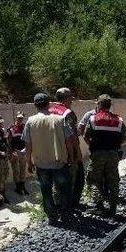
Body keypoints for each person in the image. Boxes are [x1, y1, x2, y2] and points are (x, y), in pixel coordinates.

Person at [24, 93, 75, 225]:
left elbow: (28, 144)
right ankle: (65, 214)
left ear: (35, 106)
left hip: (41, 164)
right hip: (59, 162)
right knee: (65, 188)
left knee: (46, 191)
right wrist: (71, 157)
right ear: (49, 104)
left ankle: (52, 216)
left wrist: (28, 162)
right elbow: (69, 141)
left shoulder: (30, 121)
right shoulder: (60, 119)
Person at [84, 94, 126, 216]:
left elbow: (85, 135)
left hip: (98, 153)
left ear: (99, 104)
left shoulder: (93, 119)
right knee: (113, 180)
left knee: (93, 179)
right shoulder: (118, 120)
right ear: (110, 105)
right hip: (113, 153)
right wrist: (116, 144)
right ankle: (113, 207)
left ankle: (99, 205)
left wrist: (92, 146)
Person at [49, 87, 84, 210]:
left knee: (56, 180)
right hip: (67, 152)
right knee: (75, 178)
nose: (72, 101)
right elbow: (71, 136)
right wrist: (76, 153)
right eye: (70, 98)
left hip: (52, 151)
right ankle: (70, 204)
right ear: (65, 99)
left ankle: (57, 204)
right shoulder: (67, 113)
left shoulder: (48, 110)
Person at [8, 112, 29, 195]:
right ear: (16, 118)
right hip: (15, 152)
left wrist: (26, 149)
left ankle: (23, 186)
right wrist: (11, 152)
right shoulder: (11, 128)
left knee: (23, 170)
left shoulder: (25, 127)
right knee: (16, 170)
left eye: (22, 118)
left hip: (23, 151)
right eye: (19, 118)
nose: (20, 119)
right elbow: (9, 142)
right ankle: (18, 188)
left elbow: (27, 139)